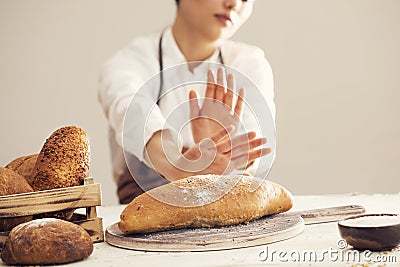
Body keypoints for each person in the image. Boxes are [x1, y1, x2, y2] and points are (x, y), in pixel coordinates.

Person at [98, 0, 275, 204]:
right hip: (141, 214)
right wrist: (178, 166)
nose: (233, 3)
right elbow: (132, 109)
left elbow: (254, 154)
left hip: (222, 213)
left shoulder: (250, 63)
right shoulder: (130, 61)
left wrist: (222, 159)